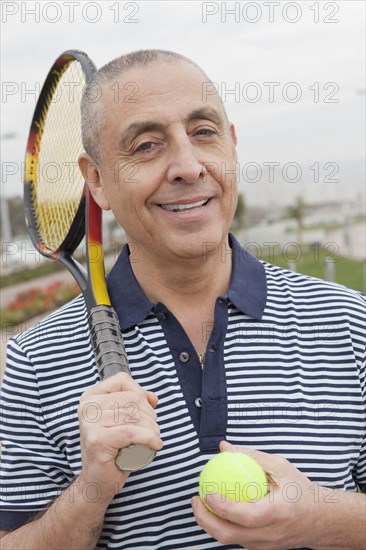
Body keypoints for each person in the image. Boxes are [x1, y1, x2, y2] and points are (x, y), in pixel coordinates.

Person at [0, 49, 365, 550]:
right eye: (147, 145)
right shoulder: (34, 360)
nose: (188, 166)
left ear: (232, 146)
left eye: (204, 132)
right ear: (97, 180)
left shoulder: (348, 320)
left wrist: (320, 518)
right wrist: (91, 490)